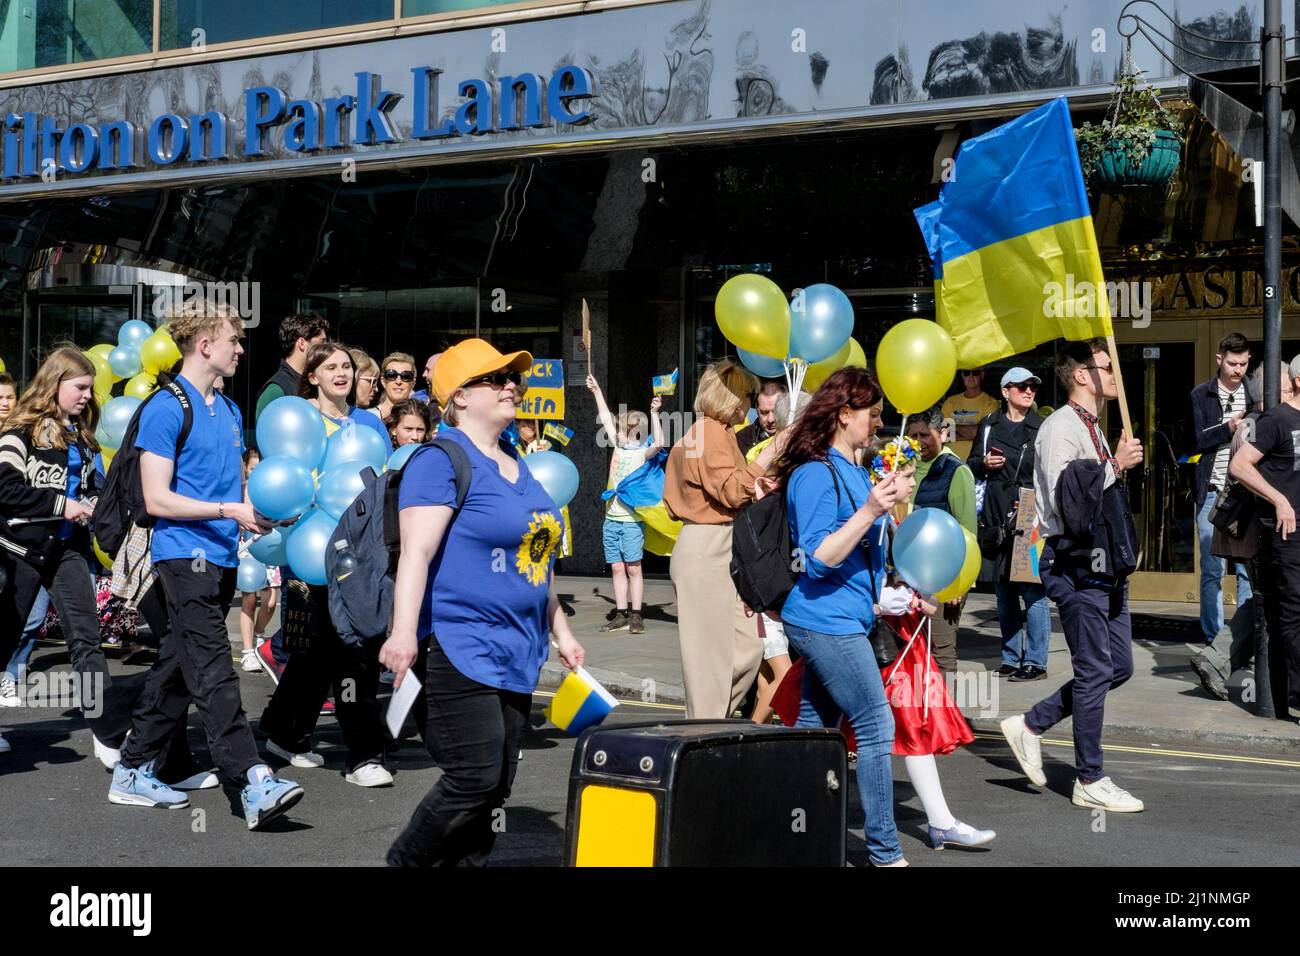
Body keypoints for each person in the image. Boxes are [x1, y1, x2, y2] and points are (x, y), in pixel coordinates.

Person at [381, 337, 585, 866]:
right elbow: (416, 555)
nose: (511, 386)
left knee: (496, 790)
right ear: (459, 397)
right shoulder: (440, 460)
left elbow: (535, 559)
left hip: (520, 649)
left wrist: (561, 631)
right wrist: (403, 633)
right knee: (474, 776)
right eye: (495, 379)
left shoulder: (517, 460)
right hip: (458, 643)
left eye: (512, 378)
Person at [111, 303, 305, 828]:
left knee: (181, 664)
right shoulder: (164, 408)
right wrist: (228, 510)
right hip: (182, 555)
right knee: (215, 669)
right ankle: (252, 781)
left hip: (220, 554)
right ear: (204, 346)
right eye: (233, 340)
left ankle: (132, 767)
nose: (241, 349)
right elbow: (157, 499)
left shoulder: (231, 409)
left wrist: (254, 512)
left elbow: (232, 487)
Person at [1001, 339, 1145, 813]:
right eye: (1107, 366)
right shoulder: (1062, 427)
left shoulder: (1094, 426)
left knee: (1117, 666)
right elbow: (1069, 500)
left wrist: (1112, 463)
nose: (1114, 374)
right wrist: (1114, 466)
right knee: (1093, 670)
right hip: (1075, 561)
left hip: (1107, 564)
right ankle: (1089, 778)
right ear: (1082, 374)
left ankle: (1031, 724)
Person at [772, 366, 909, 865]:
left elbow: (867, 552)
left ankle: (787, 829)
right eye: (870, 413)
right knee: (875, 724)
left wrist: (891, 510)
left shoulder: (855, 470)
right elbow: (818, 557)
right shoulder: (813, 473)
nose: (877, 422)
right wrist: (870, 511)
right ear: (843, 414)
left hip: (849, 618)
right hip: (821, 620)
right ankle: (885, 851)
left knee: (814, 733)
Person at [258, 341, 392, 785]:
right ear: (311, 375)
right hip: (306, 552)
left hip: (358, 555)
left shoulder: (369, 426)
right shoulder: (296, 417)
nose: (342, 373)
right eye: (330, 367)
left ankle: (303, 737)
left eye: (347, 367)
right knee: (326, 649)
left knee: (347, 647)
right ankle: (346, 750)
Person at [0, 348, 107, 758]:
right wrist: (62, 505)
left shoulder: (82, 436)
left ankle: (107, 732)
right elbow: (5, 490)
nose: (86, 396)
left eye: (89, 389)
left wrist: (93, 502)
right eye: (79, 387)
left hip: (67, 550)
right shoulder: (19, 431)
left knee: (87, 638)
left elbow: (89, 488)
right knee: (7, 634)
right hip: (17, 550)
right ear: (55, 383)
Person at [664, 358, 783, 719]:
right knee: (711, 660)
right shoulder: (710, 433)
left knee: (744, 647)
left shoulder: (709, 433)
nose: (750, 404)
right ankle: (704, 731)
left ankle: (709, 724)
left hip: (714, 543)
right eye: (747, 395)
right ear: (731, 398)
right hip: (708, 544)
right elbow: (732, 491)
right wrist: (770, 454)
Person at [1191, 361, 1287, 701]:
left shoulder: (1254, 423)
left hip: (1252, 529)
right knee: (1263, 598)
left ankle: (1223, 661)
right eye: (1289, 389)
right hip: (1258, 530)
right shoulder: (1263, 425)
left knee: (1264, 598)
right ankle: (1218, 660)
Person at [1228, 353, 1300, 722]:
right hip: (1279, 532)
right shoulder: (1272, 420)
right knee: (1284, 611)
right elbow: (1240, 467)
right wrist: (1280, 500)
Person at [968, 367, 1049, 681]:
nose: (1029, 391)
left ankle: (1036, 661)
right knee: (1003, 591)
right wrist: (985, 463)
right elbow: (972, 464)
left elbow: (1049, 470)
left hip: (1030, 510)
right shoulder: (989, 424)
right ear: (1005, 392)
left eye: (1032, 387)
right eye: (1022, 387)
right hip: (996, 510)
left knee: (1032, 589)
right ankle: (1010, 657)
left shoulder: (1040, 427)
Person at [746, 389, 808, 725]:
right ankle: (752, 737)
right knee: (784, 675)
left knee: (768, 680)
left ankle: (754, 738)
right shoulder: (764, 460)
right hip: (769, 585)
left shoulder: (809, 464)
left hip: (793, 587)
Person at [587, 373, 665, 635]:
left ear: (634, 434)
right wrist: (597, 390)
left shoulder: (643, 453)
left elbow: (661, 443)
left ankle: (636, 614)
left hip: (631, 522)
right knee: (617, 567)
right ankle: (620, 613)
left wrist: (655, 413)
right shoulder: (619, 448)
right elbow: (607, 418)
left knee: (633, 567)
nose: (614, 433)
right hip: (611, 519)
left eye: (619, 431)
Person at [1190, 332, 1253, 647]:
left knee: (1245, 569)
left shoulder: (1255, 392)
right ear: (1219, 359)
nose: (1237, 370)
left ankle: (1240, 639)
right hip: (1213, 490)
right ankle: (1214, 640)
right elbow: (1197, 440)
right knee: (1212, 569)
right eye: (1231, 363)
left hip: (1246, 494)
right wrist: (1229, 428)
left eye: (1242, 363)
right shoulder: (1202, 395)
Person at [905, 403, 976, 674]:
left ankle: (946, 715)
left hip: (945, 578)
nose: (919, 442)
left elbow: (967, 531)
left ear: (943, 434)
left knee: (941, 650)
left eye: (925, 435)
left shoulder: (956, 471)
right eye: (914, 436)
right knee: (913, 651)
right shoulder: (904, 467)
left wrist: (958, 584)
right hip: (909, 574)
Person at [237, 448, 279, 673]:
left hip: (271, 548)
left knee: (271, 601)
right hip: (248, 549)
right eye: (253, 468)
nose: (257, 472)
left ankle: (259, 635)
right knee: (249, 599)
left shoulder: (273, 489)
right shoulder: (242, 490)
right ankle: (247, 651)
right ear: (246, 468)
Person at [254, 313, 329, 420]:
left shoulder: (314, 382)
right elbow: (266, 434)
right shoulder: (276, 390)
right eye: (322, 342)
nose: (327, 348)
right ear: (302, 343)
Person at [942, 367, 1000, 461]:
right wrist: (973, 430)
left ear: (982, 375)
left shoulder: (991, 403)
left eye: (975, 373)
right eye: (966, 373)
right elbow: (944, 435)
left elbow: (981, 434)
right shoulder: (950, 402)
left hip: (976, 463)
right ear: (962, 375)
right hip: (949, 462)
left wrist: (953, 427)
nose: (971, 376)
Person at [735, 379, 786, 457]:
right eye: (764, 412)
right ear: (756, 407)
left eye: (776, 412)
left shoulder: (801, 436)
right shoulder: (741, 440)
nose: (770, 419)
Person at [375, 352, 417, 421]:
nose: (398, 382)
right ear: (383, 381)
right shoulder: (368, 415)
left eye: (406, 376)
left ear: (413, 383)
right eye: (391, 375)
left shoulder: (420, 417)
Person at [350, 348, 382, 414]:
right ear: (353, 379)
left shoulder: (373, 418)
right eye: (371, 381)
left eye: (376, 383)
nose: (376, 389)